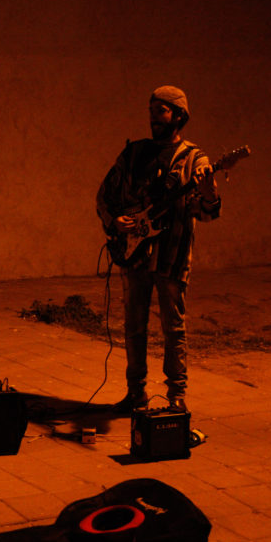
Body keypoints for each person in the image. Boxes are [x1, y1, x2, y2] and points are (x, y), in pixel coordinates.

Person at [96, 86, 220, 412]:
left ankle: (176, 396)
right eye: (151, 110)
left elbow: (206, 213)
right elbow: (104, 195)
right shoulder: (134, 154)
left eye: (161, 111)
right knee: (134, 327)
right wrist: (115, 220)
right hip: (133, 254)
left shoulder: (194, 160)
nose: (153, 117)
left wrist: (209, 194)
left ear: (179, 116)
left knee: (173, 329)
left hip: (171, 256)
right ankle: (135, 393)